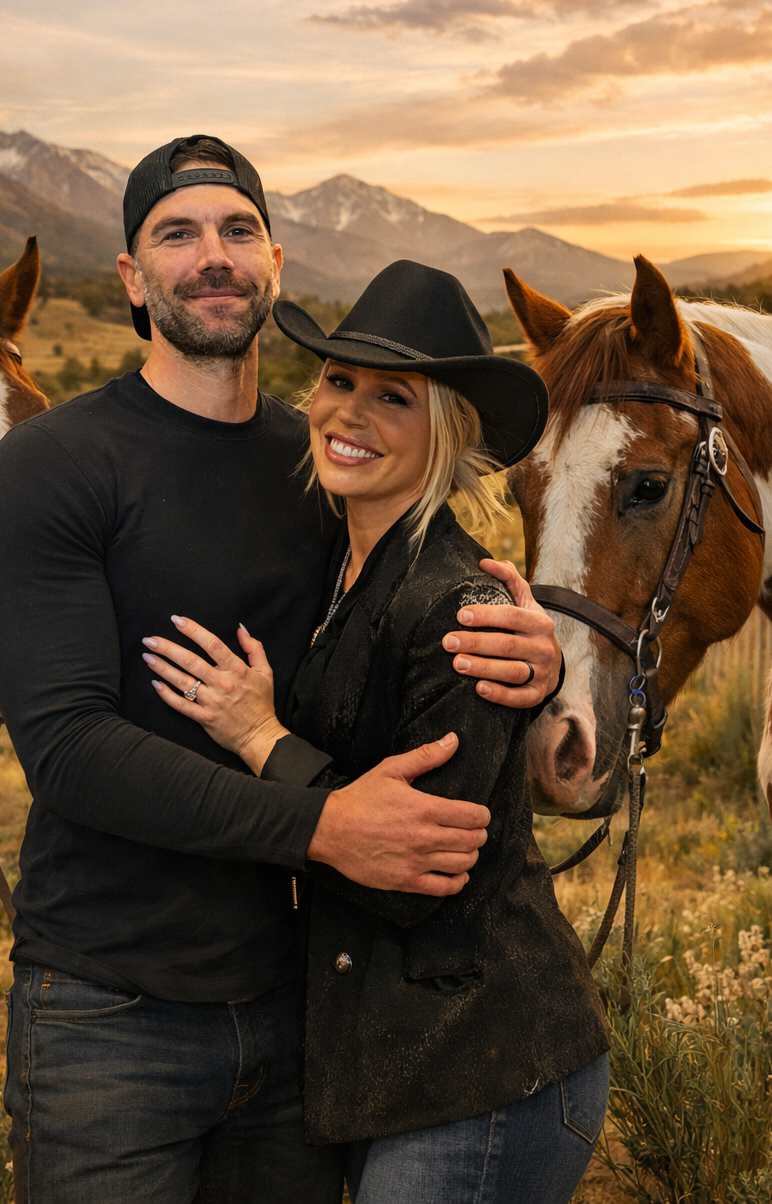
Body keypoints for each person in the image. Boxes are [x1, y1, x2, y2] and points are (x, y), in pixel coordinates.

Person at [0, 135, 564, 1204]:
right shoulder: (57, 461)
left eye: (238, 230)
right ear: (131, 277)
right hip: (110, 1014)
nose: (213, 256)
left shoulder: (323, 468)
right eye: (177, 233)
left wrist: (535, 657)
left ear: (275, 265)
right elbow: (66, 750)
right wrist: (322, 826)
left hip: (298, 1013)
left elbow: (409, 636)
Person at [144, 258, 609, 1204]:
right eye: (338, 381)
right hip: (396, 1061)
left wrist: (258, 735)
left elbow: (414, 869)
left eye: (392, 396)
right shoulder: (340, 562)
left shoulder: (465, 609)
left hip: (484, 1067)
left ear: (446, 432)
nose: (346, 414)